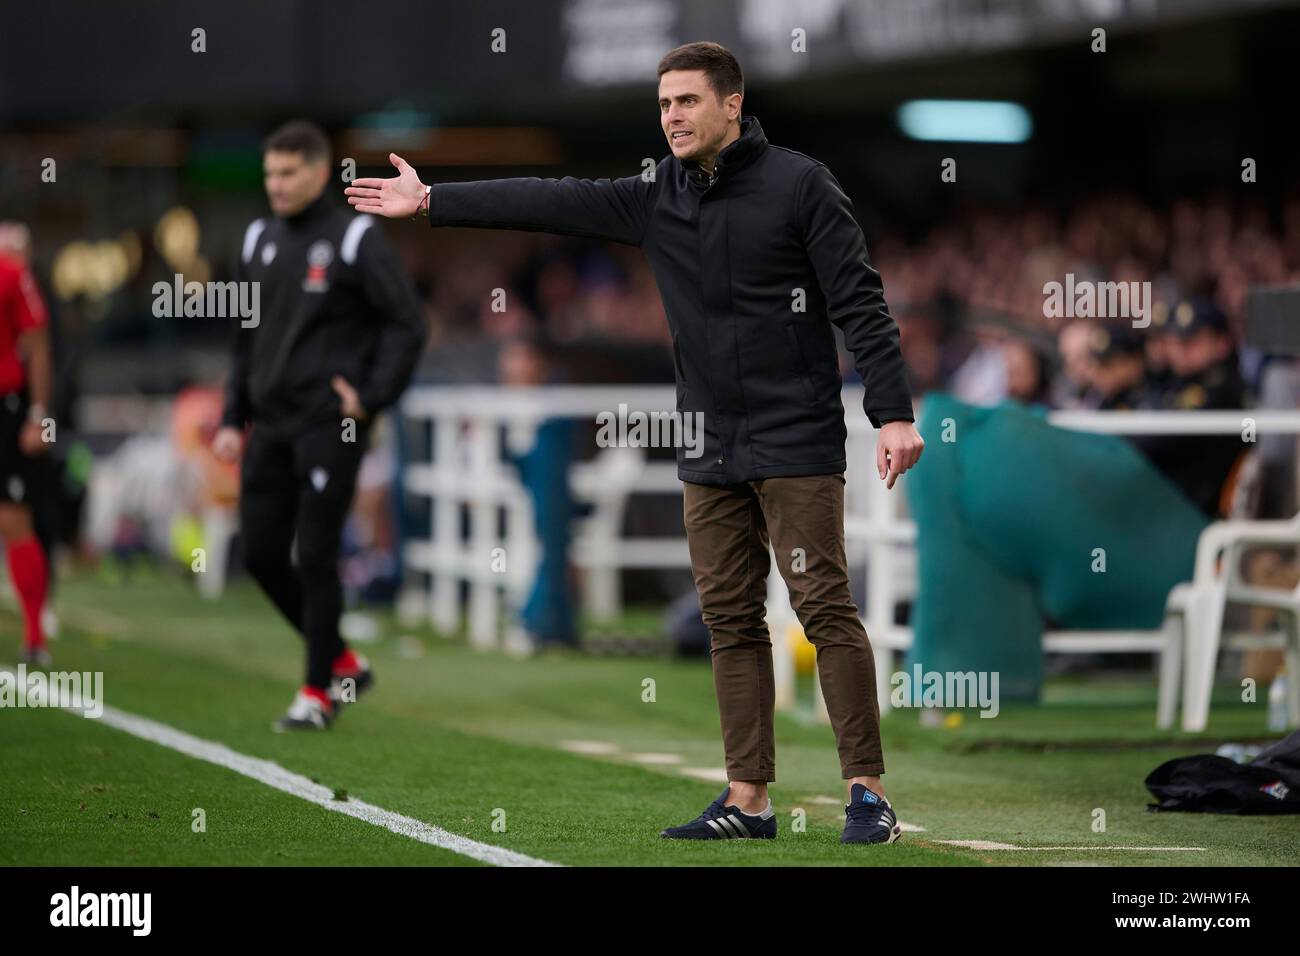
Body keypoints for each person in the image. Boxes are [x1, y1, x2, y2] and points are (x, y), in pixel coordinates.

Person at [346, 41, 923, 843]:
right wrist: (434, 199)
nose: (673, 117)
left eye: (687, 101)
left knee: (824, 608)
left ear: (732, 103)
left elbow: (862, 303)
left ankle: (867, 794)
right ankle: (748, 801)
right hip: (708, 440)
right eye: (663, 105)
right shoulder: (655, 195)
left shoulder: (801, 184)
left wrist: (893, 413)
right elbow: (549, 200)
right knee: (730, 619)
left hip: (797, 436)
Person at [213, 121, 427, 731]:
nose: (276, 186)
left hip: (332, 425)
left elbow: (408, 324)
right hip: (271, 425)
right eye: (269, 175)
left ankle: (317, 693)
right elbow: (243, 337)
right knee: (257, 553)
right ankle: (340, 660)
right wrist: (233, 417)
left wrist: (372, 397)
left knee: (316, 552)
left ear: (316, 170)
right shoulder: (257, 237)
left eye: (287, 173)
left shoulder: (356, 236)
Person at [1129, 298, 1247, 518]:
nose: (1180, 350)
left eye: (1191, 341)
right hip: (1169, 501)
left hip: (1192, 509)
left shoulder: (1221, 390)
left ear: (1221, 343)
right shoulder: (1174, 384)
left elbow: (1160, 439)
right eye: (1175, 341)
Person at [0, 222, 54, 667]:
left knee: (14, 516)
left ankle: (35, 632)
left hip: (7, 406)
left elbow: (37, 345)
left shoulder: (12, 274)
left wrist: (39, 416)